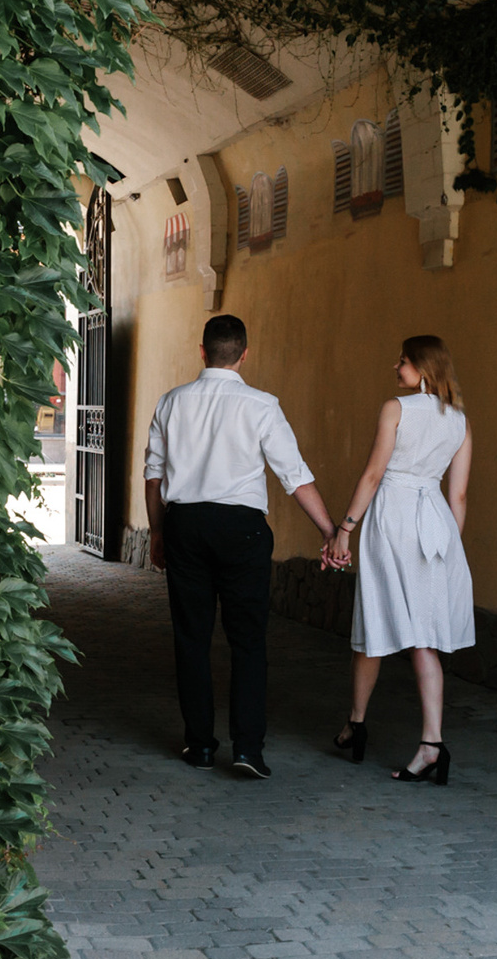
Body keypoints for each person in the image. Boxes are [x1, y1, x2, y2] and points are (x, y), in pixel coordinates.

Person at [144, 314, 338, 778]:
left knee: (192, 638)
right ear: (245, 354)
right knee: (248, 641)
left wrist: (157, 532)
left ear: (202, 350)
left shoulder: (171, 402)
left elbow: (154, 476)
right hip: (243, 530)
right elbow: (295, 476)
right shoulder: (262, 405)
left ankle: (201, 746)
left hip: (185, 525)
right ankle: (248, 748)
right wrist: (330, 531)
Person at [322, 336, 475, 784]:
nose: (396, 366)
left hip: (393, 518)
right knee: (424, 635)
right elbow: (459, 494)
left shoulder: (397, 408)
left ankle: (357, 723)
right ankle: (431, 742)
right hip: (437, 525)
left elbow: (373, 474)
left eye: (403, 361)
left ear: (424, 369)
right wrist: (452, 546)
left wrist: (344, 531)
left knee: (375, 620)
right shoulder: (460, 421)